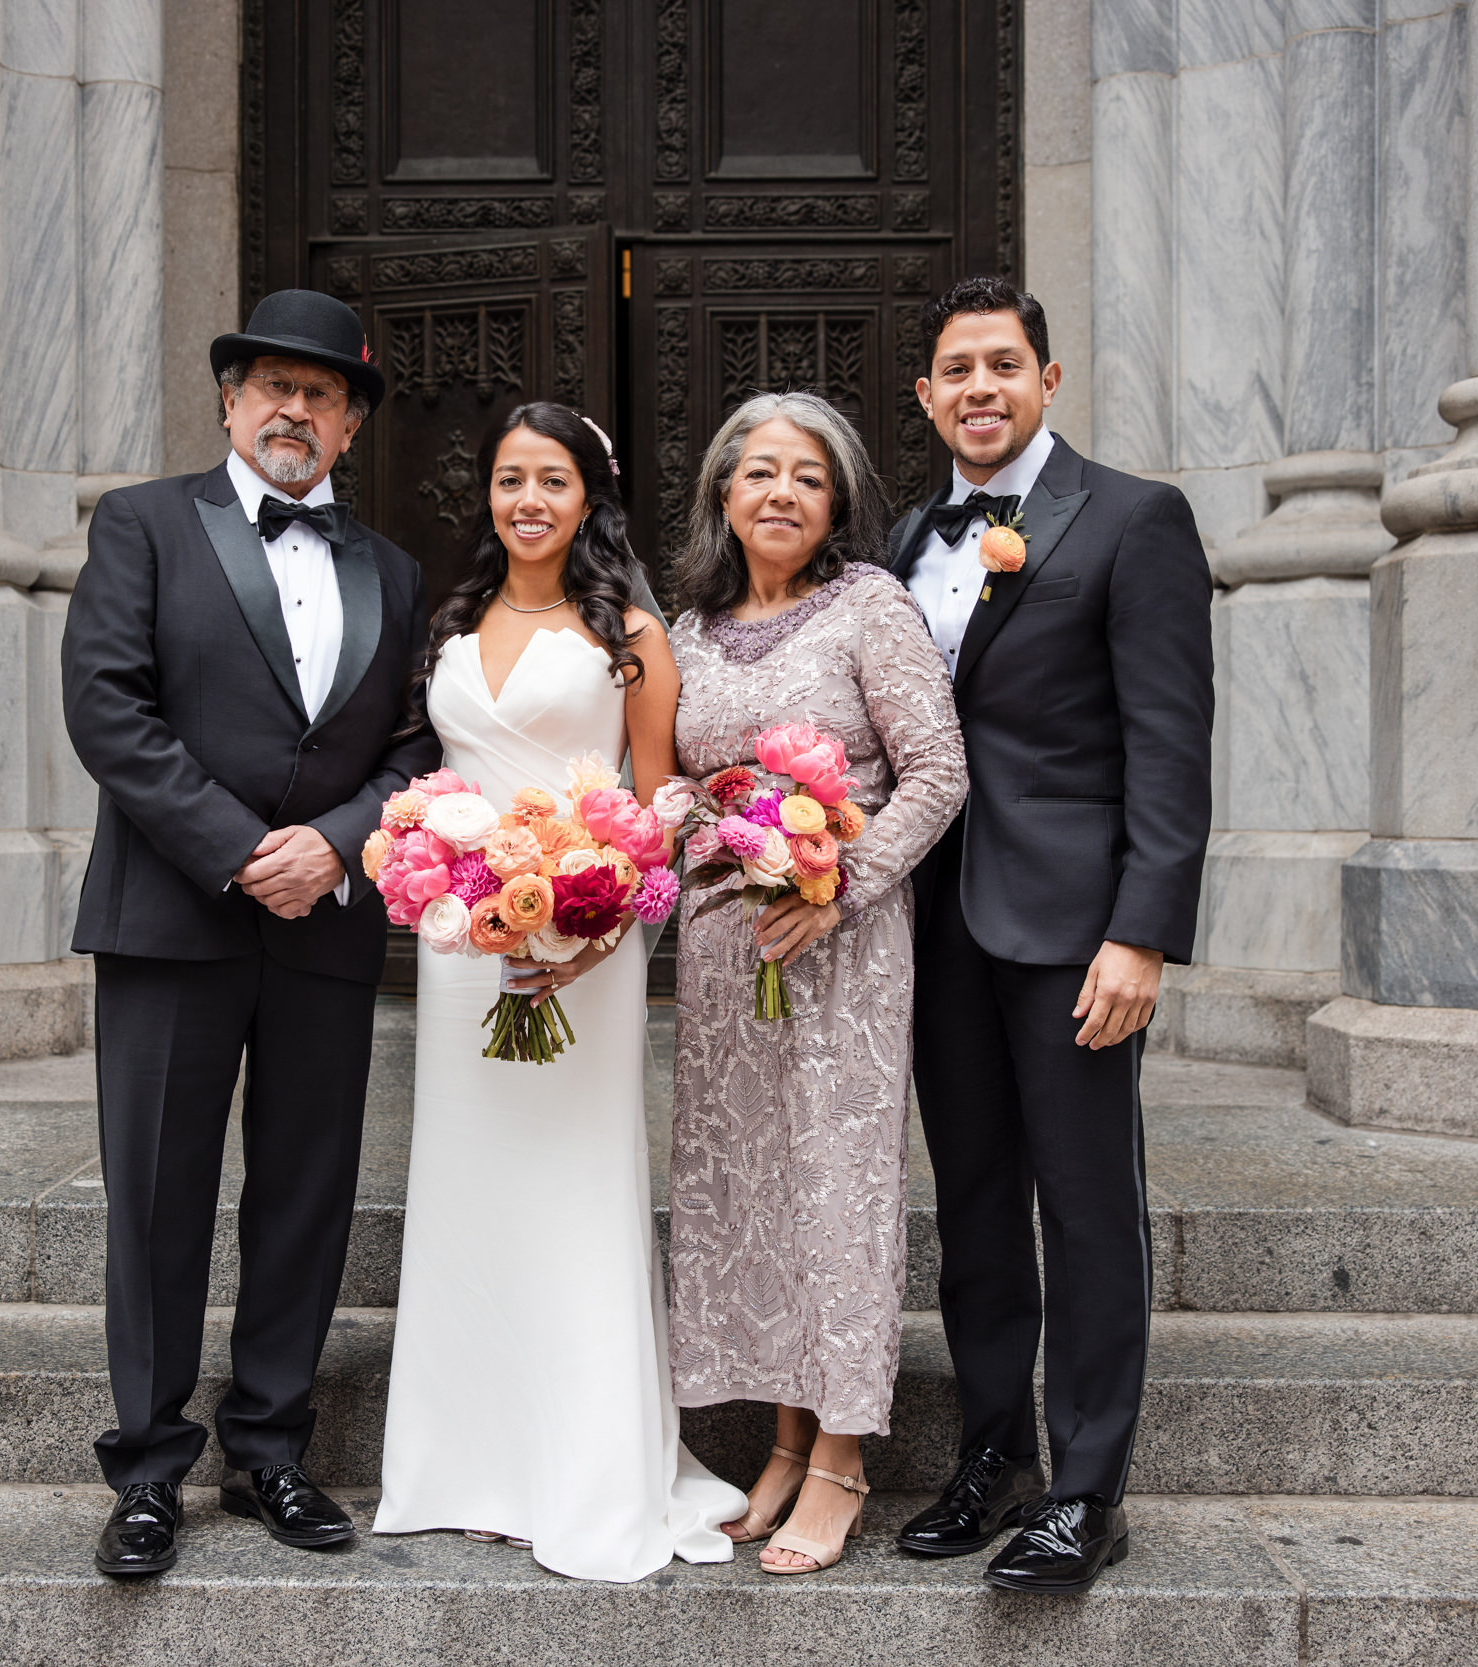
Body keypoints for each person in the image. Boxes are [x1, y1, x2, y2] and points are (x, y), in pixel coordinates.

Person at [62, 289, 441, 1578]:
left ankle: (272, 1446)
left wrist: (334, 843)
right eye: (272, 384)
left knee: (304, 1195)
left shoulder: (393, 570)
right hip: (173, 920)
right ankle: (151, 1464)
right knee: (159, 1197)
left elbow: (417, 745)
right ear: (229, 401)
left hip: (327, 928)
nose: (295, 407)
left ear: (347, 424)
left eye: (321, 392)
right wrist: (239, 852)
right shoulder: (144, 524)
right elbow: (110, 710)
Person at [371, 402, 748, 1582]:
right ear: (485, 495)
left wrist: (597, 923)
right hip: (462, 946)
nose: (526, 499)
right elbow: (436, 777)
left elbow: (664, 798)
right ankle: (475, 1458)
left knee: (573, 1191)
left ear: (590, 497)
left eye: (551, 480)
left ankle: (584, 1465)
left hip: (580, 946)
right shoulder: (452, 618)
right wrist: (424, 854)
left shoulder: (629, 633)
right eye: (507, 479)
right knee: (471, 1185)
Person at [890, 277, 1212, 1594]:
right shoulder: (909, 533)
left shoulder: (1133, 518)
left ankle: (1087, 1488)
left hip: (1075, 928)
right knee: (973, 1206)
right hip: (938, 921)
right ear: (925, 395)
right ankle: (993, 1455)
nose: (979, 387)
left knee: (1086, 1206)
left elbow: (1170, 744)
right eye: (955, 368)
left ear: (1048, 378)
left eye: (1002, 365)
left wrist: (1142, 931)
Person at [663, 391, 967, 1576]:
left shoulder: (870, 609)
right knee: (749, 1187)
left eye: (806, 474)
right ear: (723, 497)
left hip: (844, 943)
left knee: (836, 1187)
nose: (780, 491)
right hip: (728, 955)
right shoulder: (685, 630)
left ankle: (841, 1456)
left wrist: (841, 880)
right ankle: (782, 1441)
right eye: (758, 472)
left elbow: (936, 773)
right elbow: (674, 789)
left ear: (836, 500)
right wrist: (705, 829)